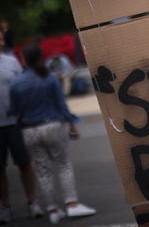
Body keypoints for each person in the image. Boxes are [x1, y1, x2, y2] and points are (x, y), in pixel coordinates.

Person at [8, 43, 96, 224]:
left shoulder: (16, 83)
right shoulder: (49, 78)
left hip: (29, 130)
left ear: (23, 59)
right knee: (63, 165)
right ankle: (72, 204)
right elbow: (61, 106)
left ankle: (52, 209)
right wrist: (72, 123)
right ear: (41, 58)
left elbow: (14, 110)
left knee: (43, 171)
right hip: (53, 125)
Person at [0, 32, 42, 223]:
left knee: (24, 164)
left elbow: (24, 86)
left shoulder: (11, 61)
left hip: (16, 123)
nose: (3, 41)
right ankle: (6, 207)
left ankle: (32, 202)